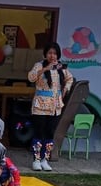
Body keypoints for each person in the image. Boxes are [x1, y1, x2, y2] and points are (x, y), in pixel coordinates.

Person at [27, 42, 74, 172]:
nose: (52, 55)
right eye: (50, 53)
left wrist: (66, 88)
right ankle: (36, 160)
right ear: (46, 54)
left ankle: (45, 159)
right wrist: (45, 69)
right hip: (40, 106)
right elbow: (31, 77)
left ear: (58, 55)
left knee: (49, 134)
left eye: (54, 53)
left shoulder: (61, 68)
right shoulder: (39, 65)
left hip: (55, 107)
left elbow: (70, 79)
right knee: (39, 133)